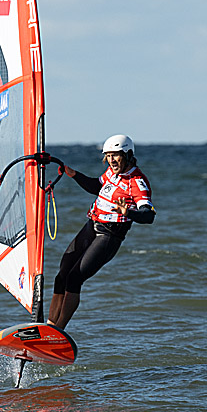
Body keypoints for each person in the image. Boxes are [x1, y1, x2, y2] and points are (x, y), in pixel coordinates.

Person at [47, 135, 155, 329]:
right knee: (61, 275)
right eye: (108, 156)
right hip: (91, 227)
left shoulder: (137, 182)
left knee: (74, 279)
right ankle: (48, 325)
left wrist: (127, 211)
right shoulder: (111, 173)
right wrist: (73, 174)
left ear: (128, 155)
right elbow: (97, 187)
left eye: (116, 156)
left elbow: (148, 215)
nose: (112, 160)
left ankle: (59, 330)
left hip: (109, 236)